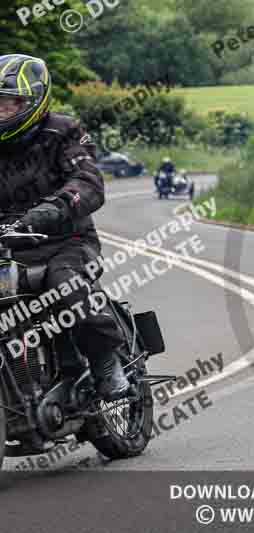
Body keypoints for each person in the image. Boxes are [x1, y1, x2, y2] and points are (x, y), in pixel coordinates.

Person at [0, 54, 129, 402]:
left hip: (65, 242)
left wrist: (51, 209)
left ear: (33, 100)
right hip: (9, 249)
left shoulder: (63, 131)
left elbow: (88, 181)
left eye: (9, 103)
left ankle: (105, 361)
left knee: (64, 289)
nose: (1, 111)